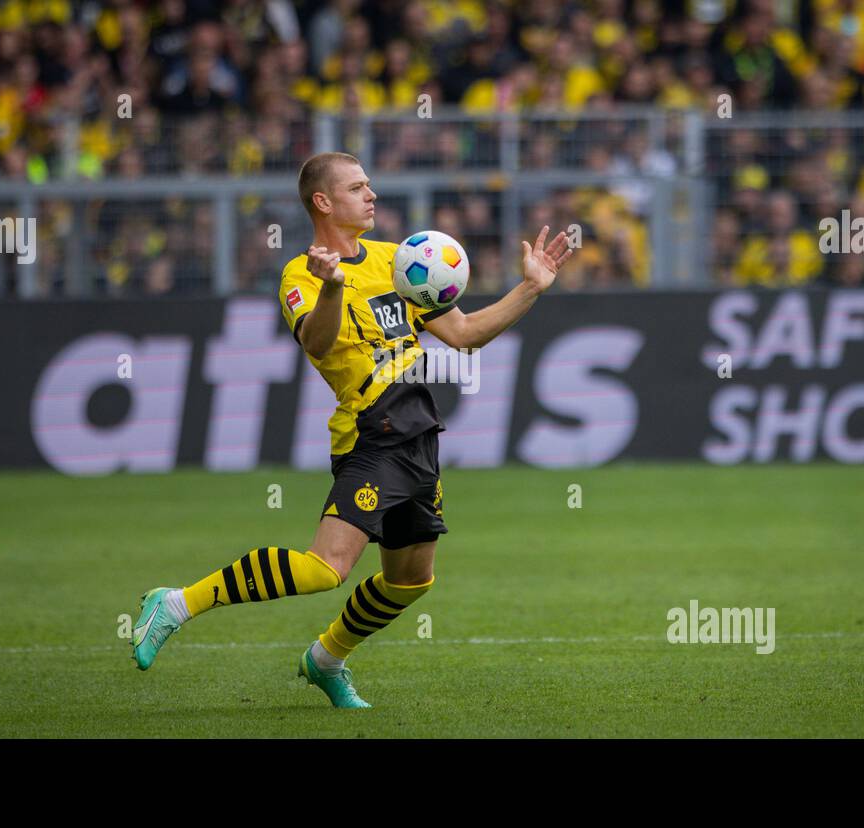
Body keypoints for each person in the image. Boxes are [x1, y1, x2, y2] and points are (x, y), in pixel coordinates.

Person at [129, 151, 573, 707]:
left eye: (370, 185)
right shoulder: (301, 273)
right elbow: (316, 343)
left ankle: (326, 659)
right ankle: (176, 603)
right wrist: (334, 286)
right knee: (325, 568)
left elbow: (463, 335)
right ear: (324, 202)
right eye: (358, 187)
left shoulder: (398, 260)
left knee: (411, 581)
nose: (372, 195)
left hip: (418, 436)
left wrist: (530, 287)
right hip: (371, 435)